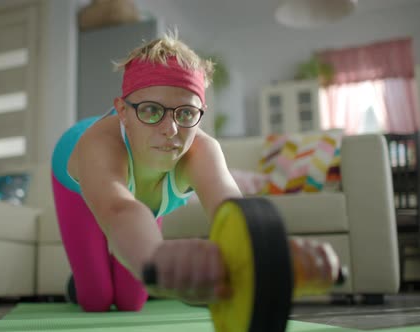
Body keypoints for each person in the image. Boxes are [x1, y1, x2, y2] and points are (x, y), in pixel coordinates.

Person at [51, 32, 338, 312]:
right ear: (123, 111)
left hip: (133, 202)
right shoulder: (100, 145)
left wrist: (272, 253)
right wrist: (158, 257)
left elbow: (232, 208)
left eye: (186, 113)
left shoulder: (201, 149)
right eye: (151, 110)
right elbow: (118, 208)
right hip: (78, 183)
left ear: (201, 112)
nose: (170, 130)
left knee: (131, 302)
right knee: (96, 299)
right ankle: (80, 282)